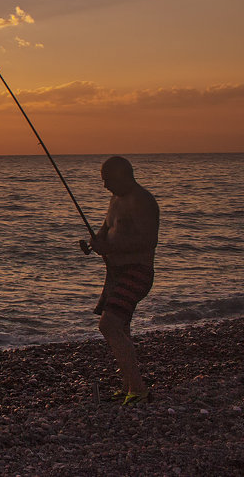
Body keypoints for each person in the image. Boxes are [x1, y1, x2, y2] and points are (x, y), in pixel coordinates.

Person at [82, 156, 160, 405]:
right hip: (114, 272)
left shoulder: (143, 201)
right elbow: (106, 229)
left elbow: (147, 241)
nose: (105, 186)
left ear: (124, 175)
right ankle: (128, 386)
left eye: (108, 180)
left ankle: (139, 390)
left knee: (110, 326)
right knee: (122, 328)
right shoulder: (115, 200)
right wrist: (95, 243)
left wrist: (110, 247)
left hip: (137, 272)